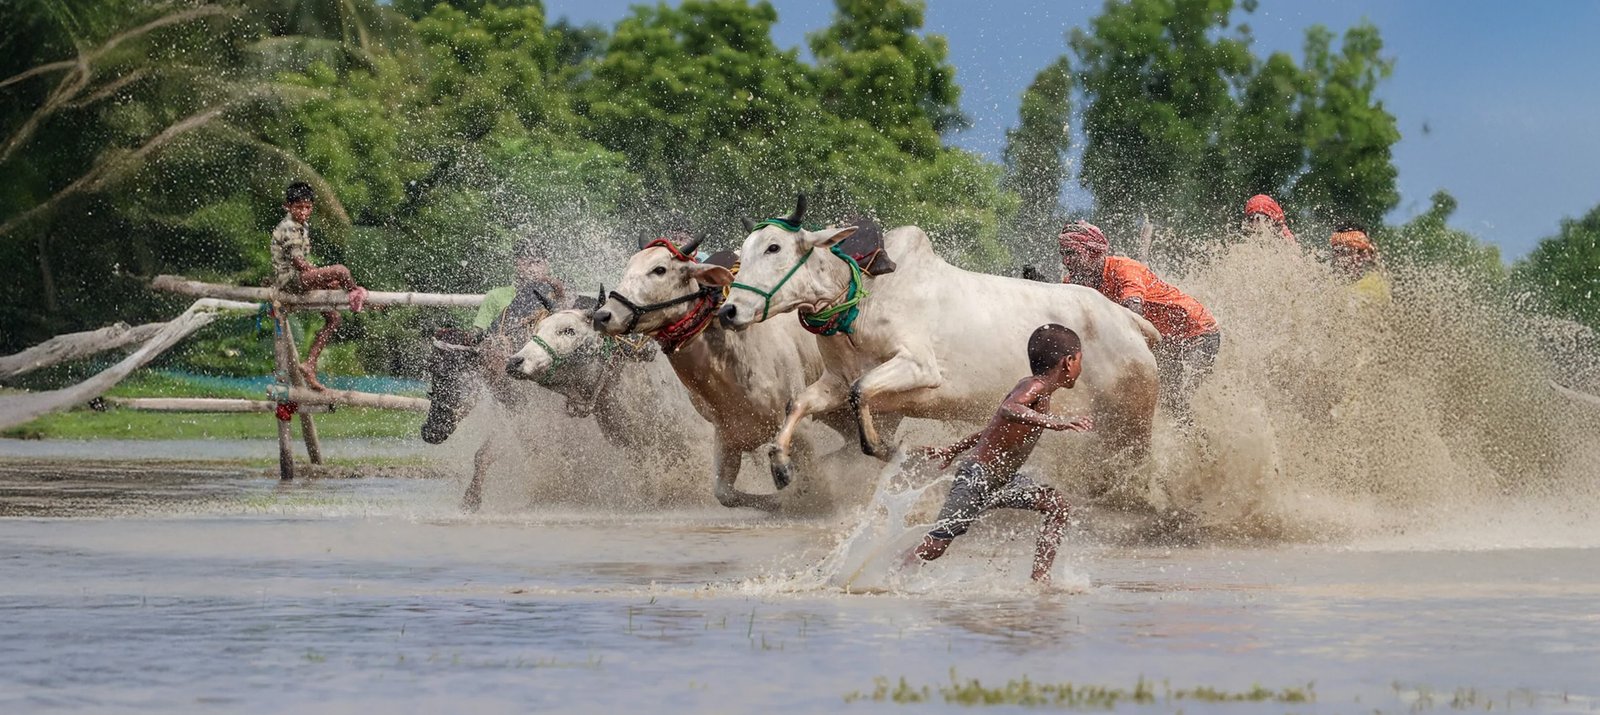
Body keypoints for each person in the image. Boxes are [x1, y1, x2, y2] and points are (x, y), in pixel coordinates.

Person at [901, 324, 1090, 583]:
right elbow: (1009, 409)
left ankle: (1040, 578)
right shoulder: (1033, 386)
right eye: (1080, 360)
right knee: (934, 548)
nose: (1081, 366)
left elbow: (994, 428)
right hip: (978, 478)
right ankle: (887, 576)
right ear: (1068, 362)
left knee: (1057, 505)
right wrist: (1055, 422)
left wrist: (953, 449)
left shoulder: (1041, 393)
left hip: (1003, 479)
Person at [1058, 220, 1221, 419]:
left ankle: (1204, 442)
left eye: (1071, 253)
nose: (1066, 262)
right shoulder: (1075, 282)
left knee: (1177, 398)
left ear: (1093, 252)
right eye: (1064, 254)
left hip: (1197, 333)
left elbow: (1133, 314)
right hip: (1163, 340)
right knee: (1160, 400)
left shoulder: (1125, 269)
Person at [270, 181, 368, 391]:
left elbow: (305, 266)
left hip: (300, 280)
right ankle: (355, 293)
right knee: (341, 271)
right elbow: (299, 263)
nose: (304, 211)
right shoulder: (288, 227)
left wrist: (323, 278)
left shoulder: (302, 226)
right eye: (298, 207)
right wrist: (327, 277)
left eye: (307, 207)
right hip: (290, 283)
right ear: (287, 206)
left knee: (334, 318)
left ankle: (310, 364)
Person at [1329, 221, 1391, 306]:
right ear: (1335, 254)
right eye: (1344, 252)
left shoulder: (1375, 285)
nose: (1353, 257)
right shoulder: (1326, 285)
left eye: (1359, 251)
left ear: (1369, 254)